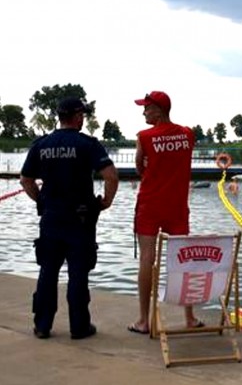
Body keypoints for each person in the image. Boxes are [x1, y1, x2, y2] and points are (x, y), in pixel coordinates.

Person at [19, 97, 119, 340]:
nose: (83, 118)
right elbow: (111, 176)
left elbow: (25, 180)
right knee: (78, 273)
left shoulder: (42, 144)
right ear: (76, 116)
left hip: (51, 217)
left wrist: (41, 201)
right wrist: (105, 202)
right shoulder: (88, 144)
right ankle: (79, 326)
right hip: (81, 219)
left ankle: (42, 325)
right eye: (82, 114)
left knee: (48, 271)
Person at [128, 91, 198, 335]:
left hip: (149, 206)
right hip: (177, 207)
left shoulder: (144, 137)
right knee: (184, 260)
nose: (143, 112)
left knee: (147, 259)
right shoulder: (188, 134)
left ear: (158, 110)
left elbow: (139, 168)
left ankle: (143, 321)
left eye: (146, 107)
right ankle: (189, 317)